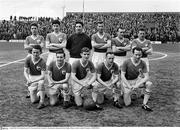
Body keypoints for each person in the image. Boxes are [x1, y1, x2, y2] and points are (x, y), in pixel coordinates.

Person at [121, 47, 153, 111]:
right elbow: (122, 75)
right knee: (127, 104)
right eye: (136, 54)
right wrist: (129, 86)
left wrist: (137, 85)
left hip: (136, 81)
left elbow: (146, 77)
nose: (138, 56)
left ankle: (144, 104)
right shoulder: (126, 62)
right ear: (132, 54)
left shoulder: (143, 63)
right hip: (127, 82)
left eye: (139, 55)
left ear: (141, 54)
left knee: (149, 84)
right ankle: (125, 93)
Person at [24, 23, 45, 98]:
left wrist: (31, 46)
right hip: (30, 55)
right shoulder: (28, 38)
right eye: (32, 28)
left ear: (37, 29)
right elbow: (25, 47)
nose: (34, 30)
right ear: (30, 29)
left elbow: (42, 46)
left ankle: (40, 90)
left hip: (39, 55)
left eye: (35, 28)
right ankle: (29, 90)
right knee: (29, 73)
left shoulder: (41, 37)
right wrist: (35, 46)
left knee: (40, 72)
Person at [24, 45, 46, 109]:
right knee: (33, 101)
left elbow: (42, 76)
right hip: (31, 77)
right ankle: (40, 94)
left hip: (39, 78)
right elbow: (25, 71)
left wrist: (32, 81)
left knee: (41, 83)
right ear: (31, 52)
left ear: (40, 53)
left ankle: (42, 102)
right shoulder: (28, 59)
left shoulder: (42, 62)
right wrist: (28, 80)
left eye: (37, 52)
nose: (35, 54)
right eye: (34, 52)